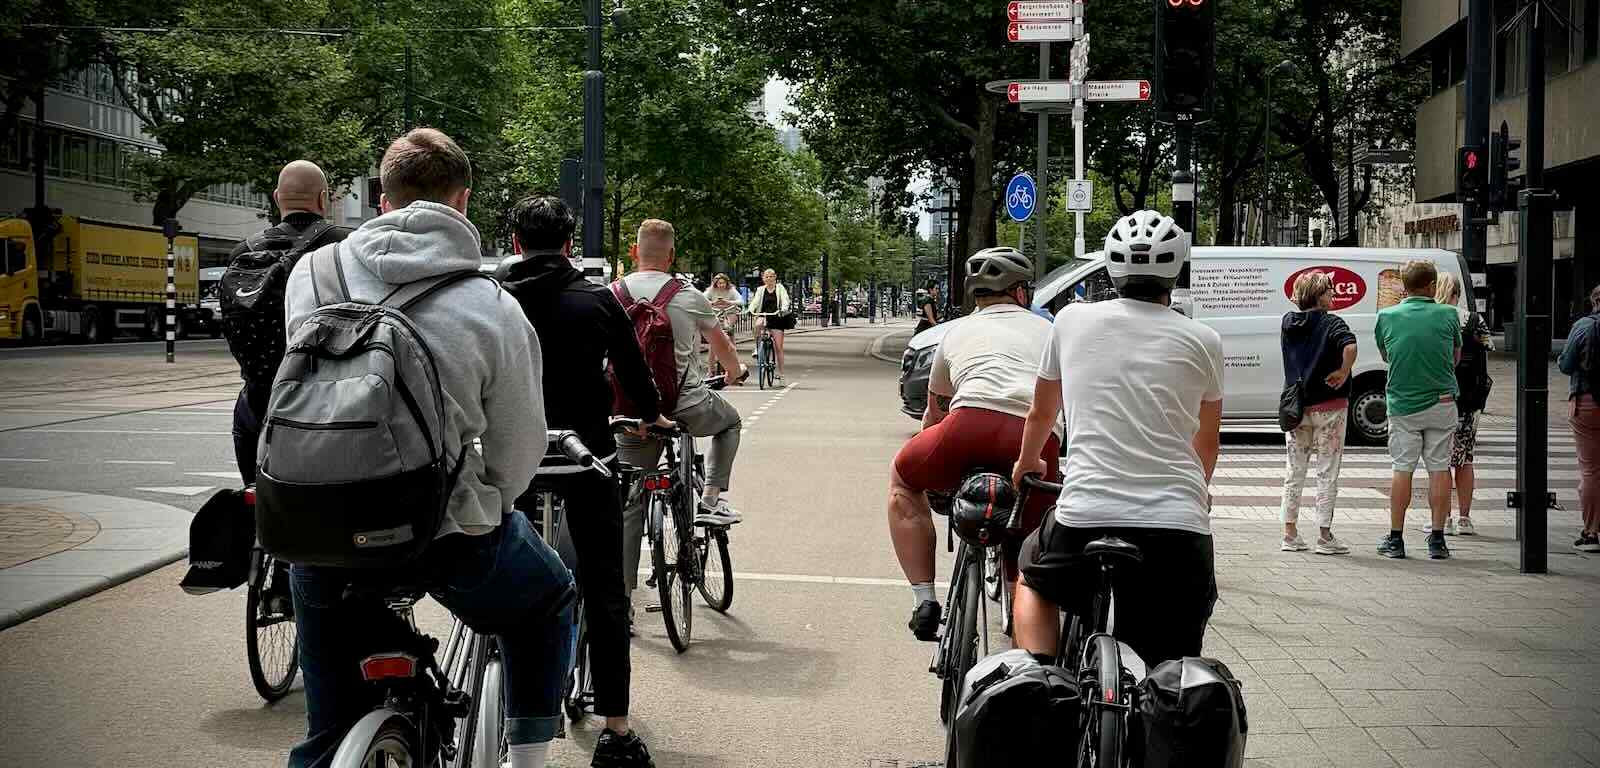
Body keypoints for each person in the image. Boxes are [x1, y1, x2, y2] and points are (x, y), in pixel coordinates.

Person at [281, 128, 573, 768]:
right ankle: (530, 760)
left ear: (381, 198)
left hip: (315, 526)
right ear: (462, 200)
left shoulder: (311, 273)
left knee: (327, 732)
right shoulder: (491, 303)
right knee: (550, 599)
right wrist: (488, 499)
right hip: (440, 531)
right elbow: (517, 447)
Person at [1010, 210, 1223, 668]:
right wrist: (1198, 490)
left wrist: (1027, 463)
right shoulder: (1205, 339)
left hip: (1085, 516)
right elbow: (1207, 442)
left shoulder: (1070, 321)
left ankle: (1039, 683)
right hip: (1176, 529)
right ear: (1176, 271)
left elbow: (1042, 412)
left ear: (1110, 268)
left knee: (1032, 579)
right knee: (1171, 662)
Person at [496, 195, 665, 767]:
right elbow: (635, 376)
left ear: (516, 241)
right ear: (570, 244)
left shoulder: (491, 295)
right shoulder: (598, 298)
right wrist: (653, 413)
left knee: (497, 566)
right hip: (583, 454)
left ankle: (497, 681)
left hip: (510, 458)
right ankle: (617, 728)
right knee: (604, 583)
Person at [888, 247, 1060, 640]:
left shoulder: (956, 331)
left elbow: (934, 414)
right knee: (1030, 533)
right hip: (1033, 439)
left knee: (902, 479)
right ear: (1021, 293)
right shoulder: (1050, 331)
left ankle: (924, 599)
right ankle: (1023, 623)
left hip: (968, 425)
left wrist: (934, 469)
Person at [617, 219, 747, 599]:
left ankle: (623, 600)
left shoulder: (612, 294)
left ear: (633, 252)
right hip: (686, 405)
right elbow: (721, 346)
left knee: (630, 504)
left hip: (634, 415)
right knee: (731, 422)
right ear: (672, 256)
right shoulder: (688, 295)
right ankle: (709, 499)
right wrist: (735, 372)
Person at [228, 160, 351, 484]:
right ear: (324, 199)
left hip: (256, 401)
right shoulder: (343, 246)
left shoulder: (245, 250)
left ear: (277, 198)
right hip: (324, 406)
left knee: (256, 501)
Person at [1373, 259, 1461, 560]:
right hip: (1442, 401)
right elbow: (1455, 358)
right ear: (1433, 286)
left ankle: (1395, 539)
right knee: (1439, 468)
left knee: (1402, 468)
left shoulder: (1386, 316)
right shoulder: (1449, 314)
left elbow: (1387, 354)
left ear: (1403, 286)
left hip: (1402, 403)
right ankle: (1437, 539)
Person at [1278, 271, 1357, 555]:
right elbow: (1350, 346)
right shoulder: (1333, 323)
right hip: (1330, 406)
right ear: (1319, 296)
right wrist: (1343, 371)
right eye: (1329, 291)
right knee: (1327, 470)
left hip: (1297, 407)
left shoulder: (1288, 322)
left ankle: (1290, 533)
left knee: (1294, 469)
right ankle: (1324, 535)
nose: (1333, 296)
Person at [1436, 272, 1490, 537]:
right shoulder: (1474, 320)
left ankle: (1443, 518)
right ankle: (1465, 519)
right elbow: (1488, 345)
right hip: (1470, 400)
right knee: (1465, 459)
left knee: (1441, 461)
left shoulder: (1433, 318)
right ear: (1457, 293)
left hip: (1441, 397)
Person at [1558, 285, 1600, 552]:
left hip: (1589, 401)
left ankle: (1591, 532)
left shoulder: (1585, 326)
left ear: (1595, 301)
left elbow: (1565, 364)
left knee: (1591, 470)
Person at [746, 268, 793, 382]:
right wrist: (750, 309)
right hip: (764, 315)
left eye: (771, 276)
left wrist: (783, 309)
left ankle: (782, 375)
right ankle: (757, 348)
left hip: (777, 316)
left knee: (778, 347)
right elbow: (755, 301)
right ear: (763, 278)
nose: (769, 278)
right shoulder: (760, 290)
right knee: (757, 325)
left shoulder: (780, 288)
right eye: (766, 276)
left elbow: (785, 300)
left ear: (775, 277)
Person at [705, 272, 744, 343]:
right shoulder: (711, 290)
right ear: (715, 283)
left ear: (727, 283)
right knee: (714, 334)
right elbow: (702, 299)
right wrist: (713, 303)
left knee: (729, 329)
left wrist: (728, 302)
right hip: (716, 312)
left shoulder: (731, 290)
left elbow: (741, 301)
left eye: (723, 283)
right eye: (719, 283)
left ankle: (732, 347)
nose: (721, 285)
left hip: (730, 311)